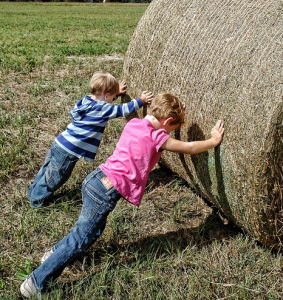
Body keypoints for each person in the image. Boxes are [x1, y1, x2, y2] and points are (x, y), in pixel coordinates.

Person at [20, 93, 225, 298]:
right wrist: (213, 141)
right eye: (173, 129)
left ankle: (54, 253)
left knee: (91, 231)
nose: (171, 134)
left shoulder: (134, 123)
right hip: (105, 192)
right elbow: (189, 148)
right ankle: (35, 282)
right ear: (168, 121)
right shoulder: (157, 137)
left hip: (95, 180)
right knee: (81, 237)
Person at [28, 71, 153, 208]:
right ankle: (37, 202)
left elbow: (103, 104)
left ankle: (33, 192)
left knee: (46, 170)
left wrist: (116, 93)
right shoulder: (103, 109)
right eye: (112, 97)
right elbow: (122, 110)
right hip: (69, 151)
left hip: (60, 142)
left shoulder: (86, 100)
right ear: (106, 96)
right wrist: (141, 100)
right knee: (55, 176)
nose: (113, 100)